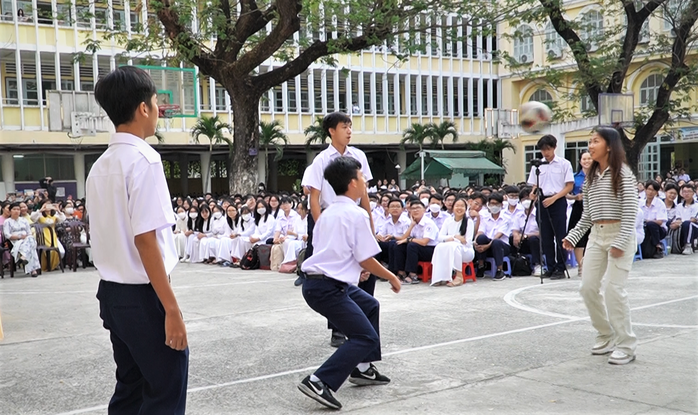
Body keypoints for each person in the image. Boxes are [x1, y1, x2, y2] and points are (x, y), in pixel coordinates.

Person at [86, 66, 188, 413]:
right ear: (143, 108)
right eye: (157, 102)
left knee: (131, 385)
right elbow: (145, 240)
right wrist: (171, 309)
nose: (159, 110)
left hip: (112, 294)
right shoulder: (145, 160)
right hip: (143, 298)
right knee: (166, 388)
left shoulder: (100, 165)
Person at [297, 156, 401, 410]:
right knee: (363, 337)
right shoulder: (356, 214)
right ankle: (319, 380)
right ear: (353, 183)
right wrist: (391, 276)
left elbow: (336, 252)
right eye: (362, 176)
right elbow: (366, 257)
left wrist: (358, 269)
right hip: (327, 289)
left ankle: (363, 368)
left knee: (370, 305)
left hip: (321, 284)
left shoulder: (327, 213)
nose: (365, 180)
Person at [563, 127, 638, 365]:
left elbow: (630, 212)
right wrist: (573, 237)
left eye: (595, 141)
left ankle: (626, 345)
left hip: (620, 234)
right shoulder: (591, 177)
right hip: (596, 236)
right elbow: (587, 215)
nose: (590, 146)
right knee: (587, 288)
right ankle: (605, 334)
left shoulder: (623, 173)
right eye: (589, 142)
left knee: (614, 290)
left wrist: (620, 241)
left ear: (609, 146)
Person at [527, 135, 574, 279]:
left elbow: (569, 186)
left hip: (558, 200)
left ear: (554, 148)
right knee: (546, 237)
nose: (545, 153)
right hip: (542, 201)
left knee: (560, 235)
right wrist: (533, 193)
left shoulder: (564, 163)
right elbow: (535, 183)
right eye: (543, 150)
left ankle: (561, 267)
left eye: (548, 149)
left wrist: (554, 198)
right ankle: (550, 266)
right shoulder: (538, 165)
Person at [389, 200, 439, 285]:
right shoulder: (414, 222)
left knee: (412, 245)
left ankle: (413, 275)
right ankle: (401, 273)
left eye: (418, 208)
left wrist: (410, 240)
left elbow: (424, 242)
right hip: (418, 248)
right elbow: (403, 239)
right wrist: (412, 225)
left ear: (424, 210)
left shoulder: (428, 223)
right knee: (398, 245)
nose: (415, 210)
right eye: (413, 209)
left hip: (431, 250)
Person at [430, 198, 475, 286]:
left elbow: (468, 242)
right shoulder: (448, 221)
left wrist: (454, 241)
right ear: (453, 207)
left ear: (466, 209)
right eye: (457, 206)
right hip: (451, 248)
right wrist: (454, 237)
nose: (459, 208)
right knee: (439, 246)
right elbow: (440, 237)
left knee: (454, 247)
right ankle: (439, 277)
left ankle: (459, 276)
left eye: (462, 206)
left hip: (466, 251)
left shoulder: (469, 222)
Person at [566, 150, 592, 276]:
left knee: (592, 237)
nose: (587, 161)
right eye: (584, 159)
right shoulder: (574, 177)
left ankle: (590, 266)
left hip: (594, 207)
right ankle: (581, 265)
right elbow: (566, 193)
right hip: (579, 207)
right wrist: (575, 197)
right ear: (580, 161)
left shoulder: (598, 176)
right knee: (578, 237)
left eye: (589, 158)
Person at [474, 193, 511, 281]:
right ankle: (481, 266)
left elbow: (499, 235)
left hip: (502, 246)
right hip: (486, 246)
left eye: (496, 204)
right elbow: (480, 231)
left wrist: (487, 246)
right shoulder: (485, 218)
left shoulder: (506, 218)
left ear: (501, 205)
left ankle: (500, 270)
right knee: (481, 238)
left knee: (496, 242)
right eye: (491, 204)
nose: (493, 206)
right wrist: (475, 241)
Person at [510, 187, 542, 276]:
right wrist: (516, 236)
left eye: (528, 198)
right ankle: (516, 262)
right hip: (523, 241)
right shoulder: (519, 215)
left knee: (534, 240)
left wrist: (526, 235)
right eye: (524, 199)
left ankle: (537, 265)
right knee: (511, 238)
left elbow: (542, 232)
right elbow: (515, 229)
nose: (526, 201)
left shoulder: (539, 214)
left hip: (537, 242)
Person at [3, 202, 40, 277]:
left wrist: (26, 237)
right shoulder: (7, 222)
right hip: (15, 242)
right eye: (14, 209)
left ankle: (23, 256)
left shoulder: (24, 220)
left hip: (26, 240)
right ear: (10, 211)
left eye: (18, 209)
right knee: (31, 245)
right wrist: (20, 237)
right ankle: (33, 270)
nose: (16, 211)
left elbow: (29, 232)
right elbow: (7, 235)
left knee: (30, 239)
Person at [639, 180, 668, 259]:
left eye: (653, 190)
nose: (650, 192)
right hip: (644, 229)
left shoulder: (660, 204)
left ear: (656, 192)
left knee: (651, 224)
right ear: (645, 189)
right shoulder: (640, 203)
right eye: (649, 189)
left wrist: (647, 221)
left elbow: (660, 222)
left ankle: (657, 246)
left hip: (660, 230)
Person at [673, 184, 698, 255]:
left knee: (688, 224)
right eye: (684, 191)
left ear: (693, 193)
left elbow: (693, 220)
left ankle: (688, 245)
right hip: (682, 226)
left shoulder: (696, 205)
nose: (686, 194)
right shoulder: (679, 206)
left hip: (695, 227)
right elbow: (678, 218)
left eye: (689, 191)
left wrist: (681, 222)